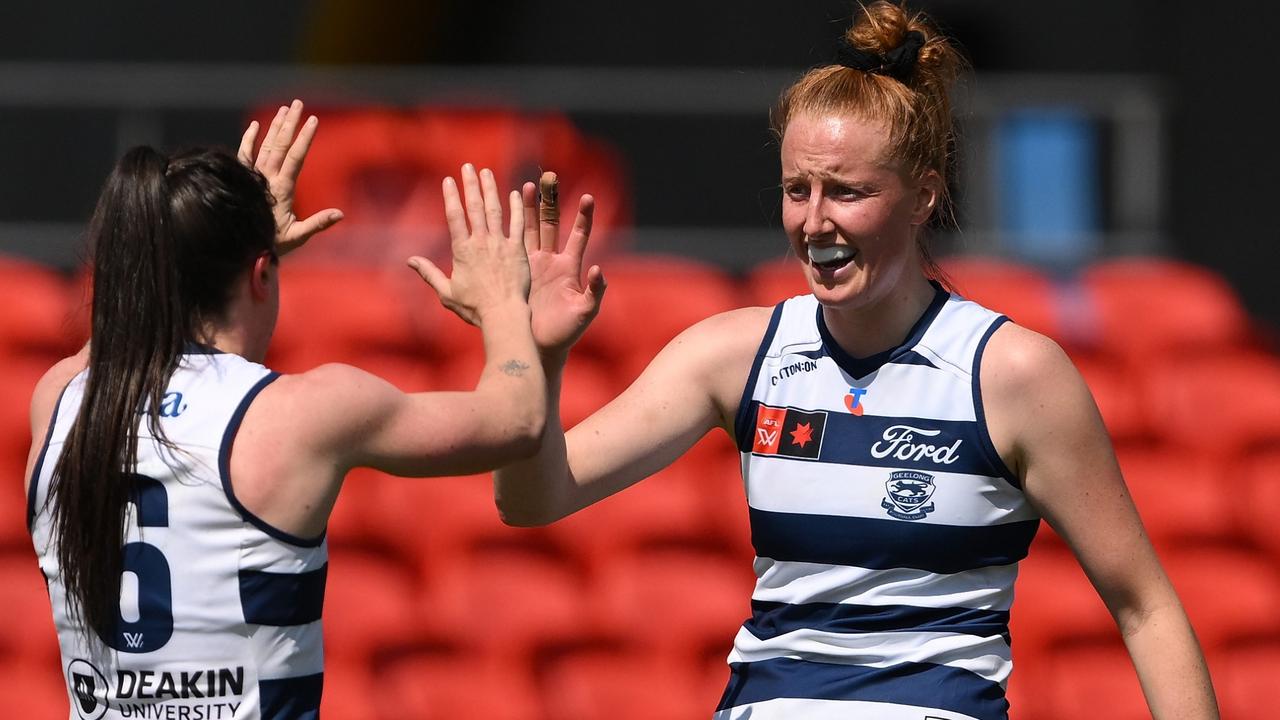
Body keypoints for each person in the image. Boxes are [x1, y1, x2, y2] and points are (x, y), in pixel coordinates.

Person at [493, 3, 1219, 718]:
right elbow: (532, 500)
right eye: (796, 189)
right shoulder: (732, 354)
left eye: (848, 191)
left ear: (922, 197)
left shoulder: (1013, 374)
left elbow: (1143, 606)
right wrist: (537, 354)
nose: (814, 222)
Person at [24, 100, 543, 719]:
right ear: (262, 274)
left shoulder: (58, 398)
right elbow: (519, 420)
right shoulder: (301, 414)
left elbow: (122, 329)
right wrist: (504, 300)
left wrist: (239, 253)